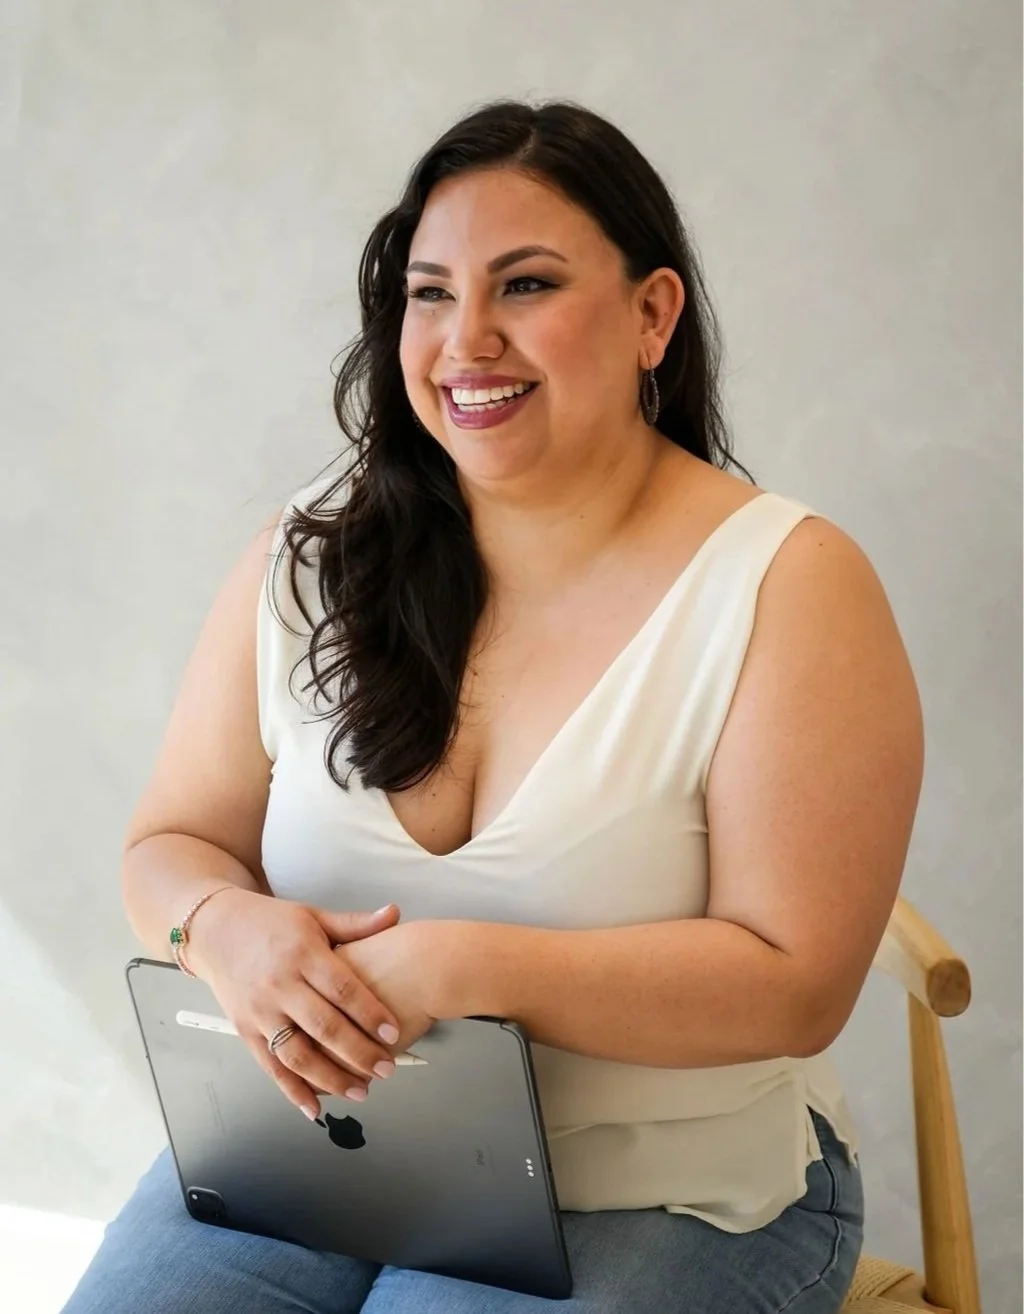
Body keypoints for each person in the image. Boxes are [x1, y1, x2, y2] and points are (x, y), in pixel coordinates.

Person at [63, 99, 924, 1313]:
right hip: (317, 1155)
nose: (465, 340)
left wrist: (463, 968)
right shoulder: (312, 558)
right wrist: (220, 926)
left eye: (525, 286)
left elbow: (797, 983)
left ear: (651, 315)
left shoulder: (786, 582)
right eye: (428, 293)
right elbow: (169, 842)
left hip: (661, 1188)